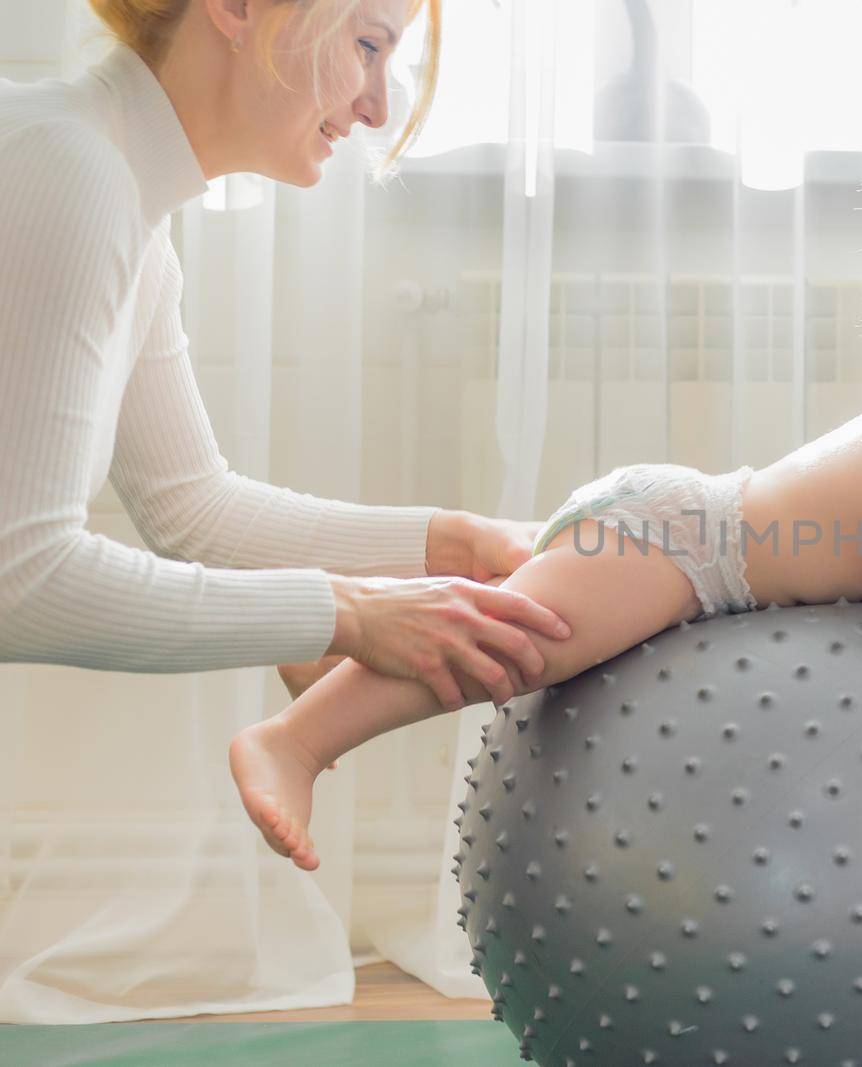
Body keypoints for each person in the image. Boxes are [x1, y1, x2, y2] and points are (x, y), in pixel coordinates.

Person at [232, 185, 862, 871]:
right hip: (682, 553)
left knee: (500, 619)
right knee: (502, 649)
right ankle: (295, 743)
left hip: (671, 527)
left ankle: (336, 672)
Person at [0, 0, 574, 857]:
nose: (380, 107)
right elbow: (22, 581)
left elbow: (195, 511)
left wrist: (449, 544)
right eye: (367, 45)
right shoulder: (65, 169)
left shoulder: (116, 198)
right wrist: (349, 612)